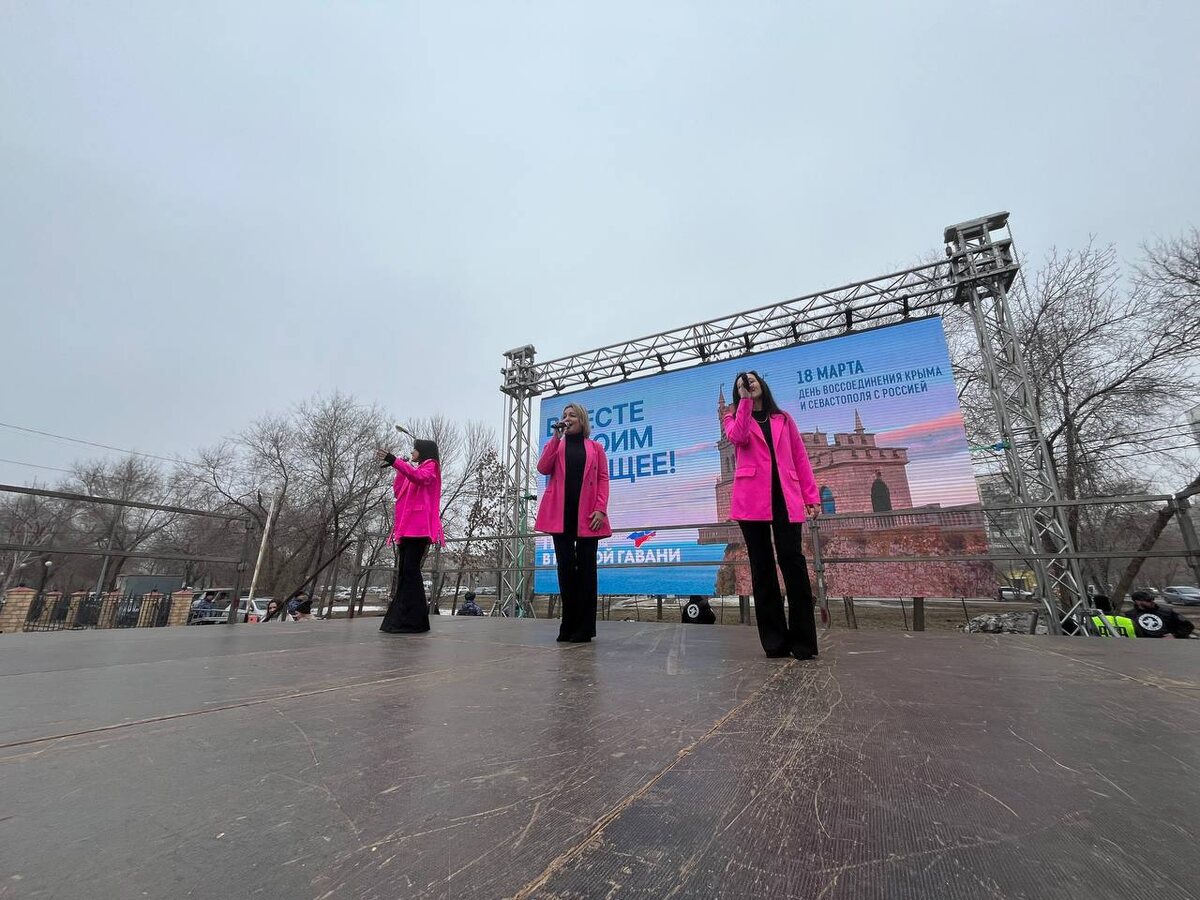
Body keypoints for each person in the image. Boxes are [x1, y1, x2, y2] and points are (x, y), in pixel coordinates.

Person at [723, 371, 822, 660]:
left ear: (763, 384)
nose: (748, 384)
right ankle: (775, 643)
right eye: (742, 382)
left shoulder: (784, 419)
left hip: (786, 497)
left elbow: (800, 457)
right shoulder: (733, 418)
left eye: (752, 380)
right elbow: (739, 437)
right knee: (762, 569)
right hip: (751, 501)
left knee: (793, 564)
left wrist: (811, 496)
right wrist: (743, 402)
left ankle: (803, 643)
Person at [535, 402, 611, 643]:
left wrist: (600, 509)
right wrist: (555, 438)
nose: (567, 418)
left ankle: (585, 628)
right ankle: (567, 625)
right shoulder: (557, 445)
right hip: (562, 515)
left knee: (587, 572)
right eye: (564, 415)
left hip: (589, 517)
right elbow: (543, 467)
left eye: (572, 415)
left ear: (582, 420)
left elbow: (603, 479)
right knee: (566, 569)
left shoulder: (596, 448)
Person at [376, 438, 445, 634]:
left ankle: (414, 620)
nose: (412, 453)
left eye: (415, 450)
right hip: (406, 529)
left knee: (410, 571)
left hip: (419, 529)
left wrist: (396, 461)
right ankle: (402, 618)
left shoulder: (431, 467)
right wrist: (398, 468)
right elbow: (398, 492)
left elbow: (419, 477)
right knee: (405, 573)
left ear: (423, 451)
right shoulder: (414, 470)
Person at [1129, 589, 1194, 639]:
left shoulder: (1166, 612)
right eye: (1148, 600)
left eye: (1152, 599)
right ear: (1137, 601)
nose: (1151, 602)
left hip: (1167, 646)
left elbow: (1188, 626)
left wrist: (1175, 635)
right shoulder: (1130, 615)